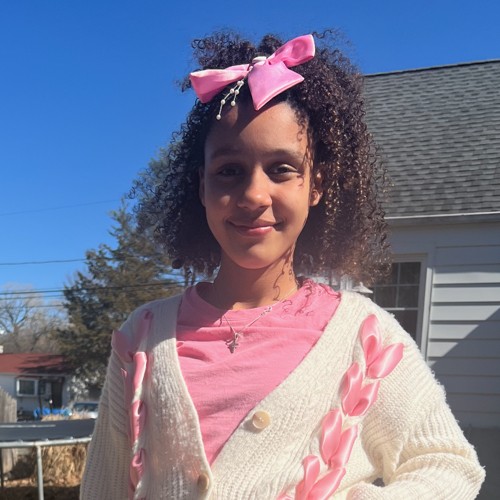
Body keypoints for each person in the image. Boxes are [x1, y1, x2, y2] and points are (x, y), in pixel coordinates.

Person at [80, 31, 484, 499]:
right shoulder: (142, 338)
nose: (254, 195)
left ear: (316, 186)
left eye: (281, 169)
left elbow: (449, 466)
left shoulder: (365, 339)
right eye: (229, 171)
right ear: (202, 187)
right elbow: (103, 488)